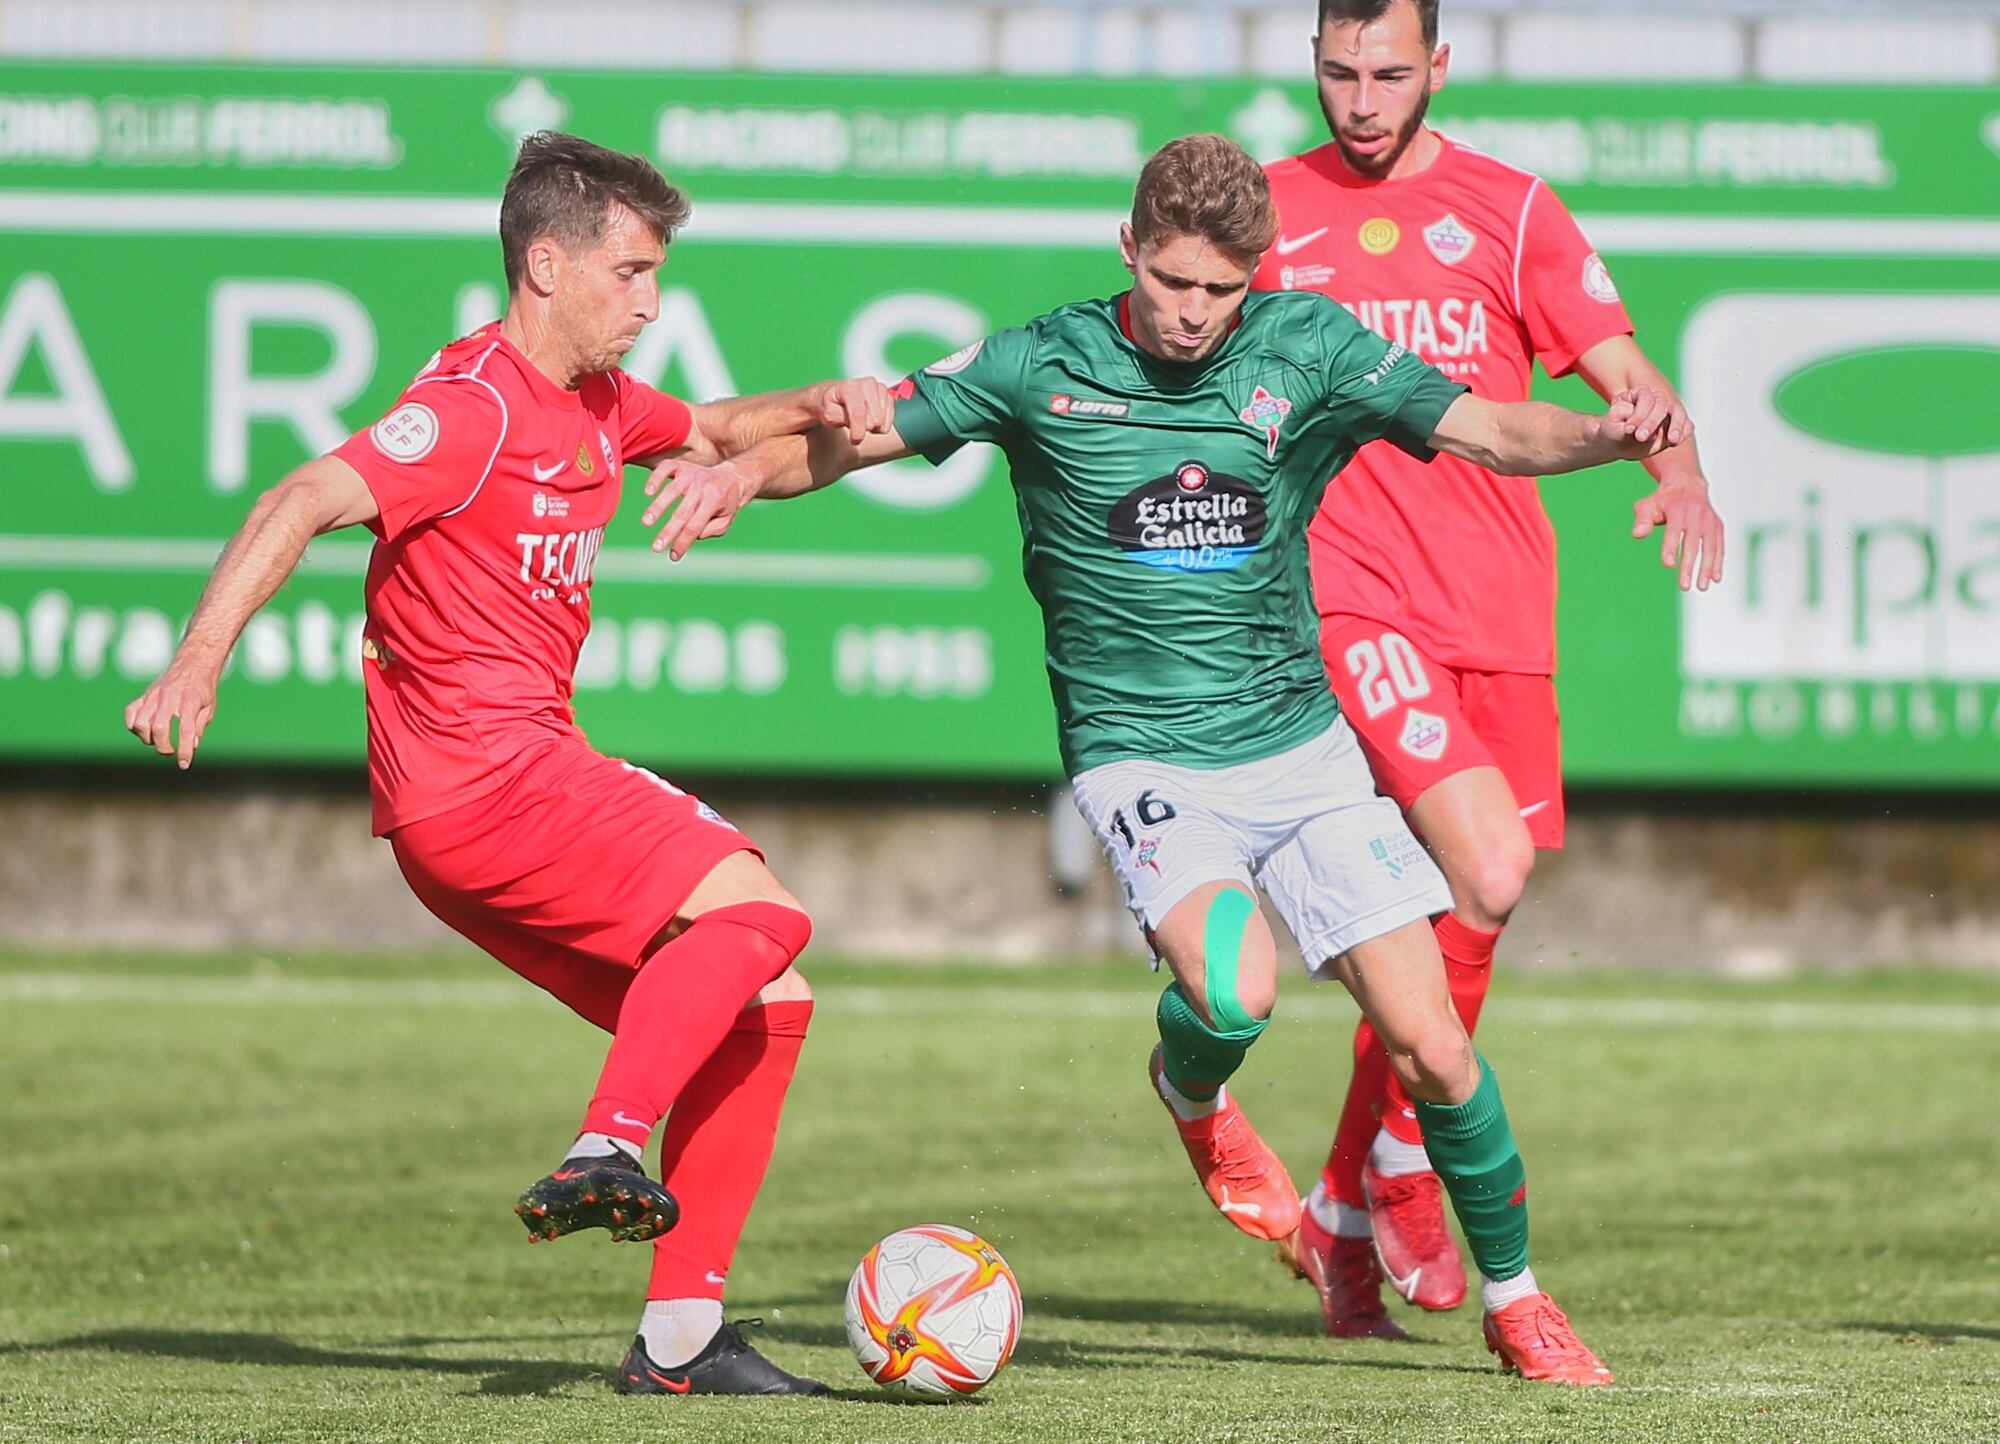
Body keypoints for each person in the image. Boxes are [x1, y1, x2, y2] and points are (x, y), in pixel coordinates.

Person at [643, 134, 1686, 1385]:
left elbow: (1494, 433)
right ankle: (1192, 1095)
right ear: (1126, 248)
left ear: (1257, 273)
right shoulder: (1042, 360)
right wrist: (745, 475)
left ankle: (1518, 1302)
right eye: (1172, 282)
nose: (1193, 315)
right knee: (1235, 995)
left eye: (1220, 290)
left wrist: (1613, 435)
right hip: (1143, 756)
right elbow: (853, 440)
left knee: (1436, 1047)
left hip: (1298, 746)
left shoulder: (1306, 347)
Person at [123, 131, 898, 1398]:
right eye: (632, 272)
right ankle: (607, 1142)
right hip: (492, 781)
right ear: (547, 264)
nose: (651, 302)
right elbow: (303, 497)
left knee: (765, 1006)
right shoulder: (470, 408)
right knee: (762, 907)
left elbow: (710, 429)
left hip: (468, 818)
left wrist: (821, 404)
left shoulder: (593, 402)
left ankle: (679, 1345)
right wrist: (198, 661)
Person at [1253, 0, 1727, 1340]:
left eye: (1389, 71)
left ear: (1439, 68)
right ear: (1314, 67)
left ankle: (1349, 1207)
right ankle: (1403, 1166)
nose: (1360, 96)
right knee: (1488, 871)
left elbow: (1629, 378)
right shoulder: (1268, 212)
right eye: (1339, 70)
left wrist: (1679, 470)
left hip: (1501, 613)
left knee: (1467, 915)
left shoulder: (1513, 211)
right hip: (1349, 601)